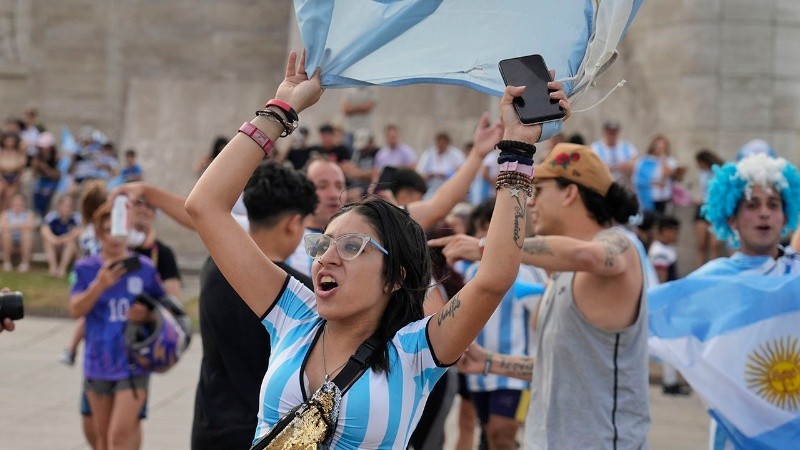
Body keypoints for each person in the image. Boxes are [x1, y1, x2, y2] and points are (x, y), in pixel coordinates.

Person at [184, 50, 568, 448]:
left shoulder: (416, 351)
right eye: (324, 244)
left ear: (395, 278)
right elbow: (205, 206)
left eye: (352, 246)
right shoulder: (294, 314)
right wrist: (281, 108)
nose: (327, 257)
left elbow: (493, 278)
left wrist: (518, 150)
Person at [433, 143, 647, 449]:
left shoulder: (618, 244)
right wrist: (490, 362)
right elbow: (559, 368)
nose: (531, 201)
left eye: (539, 190)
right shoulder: (563, 270)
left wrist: (489, 247)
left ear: (570, 193)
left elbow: (589, 256)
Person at [110, 160, 319, 449]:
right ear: (294, 222)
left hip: (210, 427)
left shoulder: (213, 267)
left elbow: (207, 219)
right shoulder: (300, 294)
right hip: (267, 432)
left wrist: (147, 191)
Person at [684, 153, 800, 450]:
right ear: (731, 218)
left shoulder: (796, 274)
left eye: (773, 205)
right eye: (751, 205)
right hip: (736, 432)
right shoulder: (710, 281)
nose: (764, 213)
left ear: (786, 216)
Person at [68, 202, 166, 450]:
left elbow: (164, 308)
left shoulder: (143, 267)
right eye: (108, 230)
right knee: (102, 440)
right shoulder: (86, 268)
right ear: (98, 233)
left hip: (133, 363)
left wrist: (147, 314)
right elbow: (76, 309)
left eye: (119, 229)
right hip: (98, 361)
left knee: (119, 437)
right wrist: (99, 285)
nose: (114, 237)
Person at [646, 215, 689, 396]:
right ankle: (669, 382)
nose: (676, 235)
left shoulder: (666, 249)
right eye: (674, 231)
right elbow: (661, 279)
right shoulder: (660, 251)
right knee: (667, 344)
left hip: (663, 303)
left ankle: (670, 381)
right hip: (663, 305)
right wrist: (666, 302)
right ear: (663, 232)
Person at [692, 149, 727, 268]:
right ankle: (699, 271)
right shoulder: (702, 174)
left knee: (715, 245)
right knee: (701, 245)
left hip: (717, 208)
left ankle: (714, 271)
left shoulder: (720, 172)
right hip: (703, 207)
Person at [40, 194, 81, 277]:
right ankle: (53, 268)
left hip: (72, 250)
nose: (67, 209)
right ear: (59, 206)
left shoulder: (76, 217)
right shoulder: (51, 216)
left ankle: (62, 269)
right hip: (56, 246)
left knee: (70, 243)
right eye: (65, 206)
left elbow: (77, 232)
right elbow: (44, 230)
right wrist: (55, 240)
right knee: (47, 242)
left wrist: (61, 239)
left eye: (70, 206)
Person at [416, 132, 466, 197]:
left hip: (450, 184)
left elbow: (462, 171)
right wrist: (430, 175)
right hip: (430, 184)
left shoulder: (456, 155)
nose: (441, 145)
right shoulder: (428, 154)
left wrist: (447, 174)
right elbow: (420, 173)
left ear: (447, 143)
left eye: (443, 143)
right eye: (439, 143)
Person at [591, 119, 638, 188]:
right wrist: (617, 167)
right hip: (603, 187)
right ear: (605, 132)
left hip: (624, 187)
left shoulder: (628, 147)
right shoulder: (595, 148)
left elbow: (636, 164)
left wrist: (628, 166)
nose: (612, 134)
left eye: (614, 131)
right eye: (610, 131)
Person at [1, 193, 35, 272]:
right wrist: (20, 226)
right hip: (8, 240)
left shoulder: (29, 213)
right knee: (6, 234)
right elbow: (3, 226)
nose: (17, 205)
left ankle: (25, 263)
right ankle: (6, 262)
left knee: (27, 234)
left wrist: (13, 226)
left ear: (24, 203)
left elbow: (30, 226)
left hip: (23, 241)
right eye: (15, 203)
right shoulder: (5, 213)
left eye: (20, 203)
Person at [30, 131, 61, 217]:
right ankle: (38, 214)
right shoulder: (37, 157)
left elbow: (56, 176)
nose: (43, 149)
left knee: (46, 193)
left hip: (54, 181)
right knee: (36, 191)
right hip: (42, 180)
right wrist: (35, 166)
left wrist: (45, 168)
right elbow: (34, 174)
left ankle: (43, 214)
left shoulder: (57, 157)